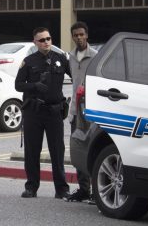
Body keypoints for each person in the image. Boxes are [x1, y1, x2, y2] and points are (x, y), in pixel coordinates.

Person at [15, 27, 71, 199]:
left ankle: (61, 189)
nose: (46, 42)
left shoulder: (60, 59)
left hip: (54, 111)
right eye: (42, 40)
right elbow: (18, 85)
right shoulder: (29, 61)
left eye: (48, 38)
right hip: (34, 112)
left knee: (57, 151)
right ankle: (31, 187)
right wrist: (34, 86)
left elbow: (77, 76)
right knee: (32, 151)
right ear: (35, 42)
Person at [65, 21, 98, 203]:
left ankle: (96, 192)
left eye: (81, 34)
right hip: (75, 112)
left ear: (86, 35)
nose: (78, 38)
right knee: (78, 151)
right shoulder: (70, 57)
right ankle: (84, 190)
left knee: (92, 151)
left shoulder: (95, 56)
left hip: (90, 112)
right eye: (75, 35)